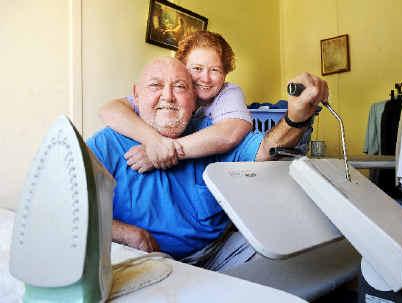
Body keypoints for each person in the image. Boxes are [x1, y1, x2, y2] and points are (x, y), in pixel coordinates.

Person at [87, 57, 327, 270]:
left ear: (194, 99)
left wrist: (296, 118)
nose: (168, 96)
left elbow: (265, 149)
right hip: (141, 262)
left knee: (283, 256)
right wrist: (125, 233)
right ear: (136, 95)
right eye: (155, 86)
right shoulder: (107, 143)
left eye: (180, 87)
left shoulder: (210, 136)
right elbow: (62, 205)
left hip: (214, 254)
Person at [99, 31, 253, 173]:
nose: (205, 78)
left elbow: (230, 133)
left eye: (215, 70)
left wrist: (163, 152)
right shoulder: (166, 94)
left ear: (225, 74)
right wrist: (153, 141)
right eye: (197, 68)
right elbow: (110, 109)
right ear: (183, 69)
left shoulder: (228, 93)